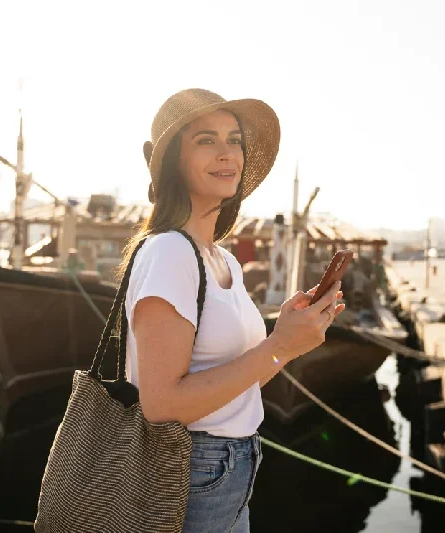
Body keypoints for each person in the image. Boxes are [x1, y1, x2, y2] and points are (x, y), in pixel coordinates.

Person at [120, 89, 344, 533]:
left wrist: (289, 343)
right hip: (187, 470)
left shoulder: (223, 261)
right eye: (206, 140)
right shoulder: (169, 252)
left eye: (235, 140)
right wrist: (278, 344)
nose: (227, 154)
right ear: (173, 162)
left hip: (232, 467)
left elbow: (242, 383)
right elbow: (161, 406)